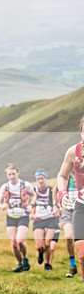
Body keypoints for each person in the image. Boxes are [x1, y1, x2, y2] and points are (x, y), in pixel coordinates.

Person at [55, 115, 84, 280]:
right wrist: (62, 193)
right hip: (81, 206)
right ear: (81, 133)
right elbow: (62, 176)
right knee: (82, 255)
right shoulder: (73, 152)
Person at [0, 164, 35, 272]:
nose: (11, 176)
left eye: (13, 174)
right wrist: (1, 206)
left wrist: (31, 205)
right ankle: (19, 264)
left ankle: (25, 258)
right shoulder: (5, 187)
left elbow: (33, 195)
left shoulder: (25, 185)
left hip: (23, 215)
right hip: (11, 216)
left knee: (20, 240)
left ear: (18, 173)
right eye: (9, 174)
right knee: (13, 243)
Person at [31, 170, 58, 271]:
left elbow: (56, 202)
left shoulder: (51, 190)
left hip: (50, 218)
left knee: (48, 243)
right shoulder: (34, 191)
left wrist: (56, 209)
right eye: (38, 179)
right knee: (39, 246)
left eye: (42, 178)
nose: (40, 180)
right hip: (38, 220)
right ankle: (40, 253)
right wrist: (32, 214)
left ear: (45, 179)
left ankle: (47, 264)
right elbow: (31, 204)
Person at [58, 173, 79, 277]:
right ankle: (72, 265)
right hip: (68, 211)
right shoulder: (67, 176)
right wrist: (58, 204)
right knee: (68, 237)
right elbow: (56, 189)